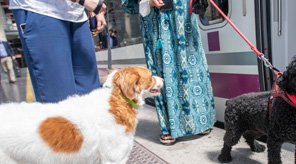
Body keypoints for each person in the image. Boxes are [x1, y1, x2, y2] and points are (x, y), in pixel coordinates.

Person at [122, 0, 216, 145]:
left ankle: (200, 122)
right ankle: (169, 126)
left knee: (193, 64)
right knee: (163, 71)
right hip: (157, 23)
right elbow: (127, 4)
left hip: (184, 18)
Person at [9, 0, 107, 103]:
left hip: (78, 14)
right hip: (41, 10)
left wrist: (95, 9)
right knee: (58, 99)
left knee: (91, 96)